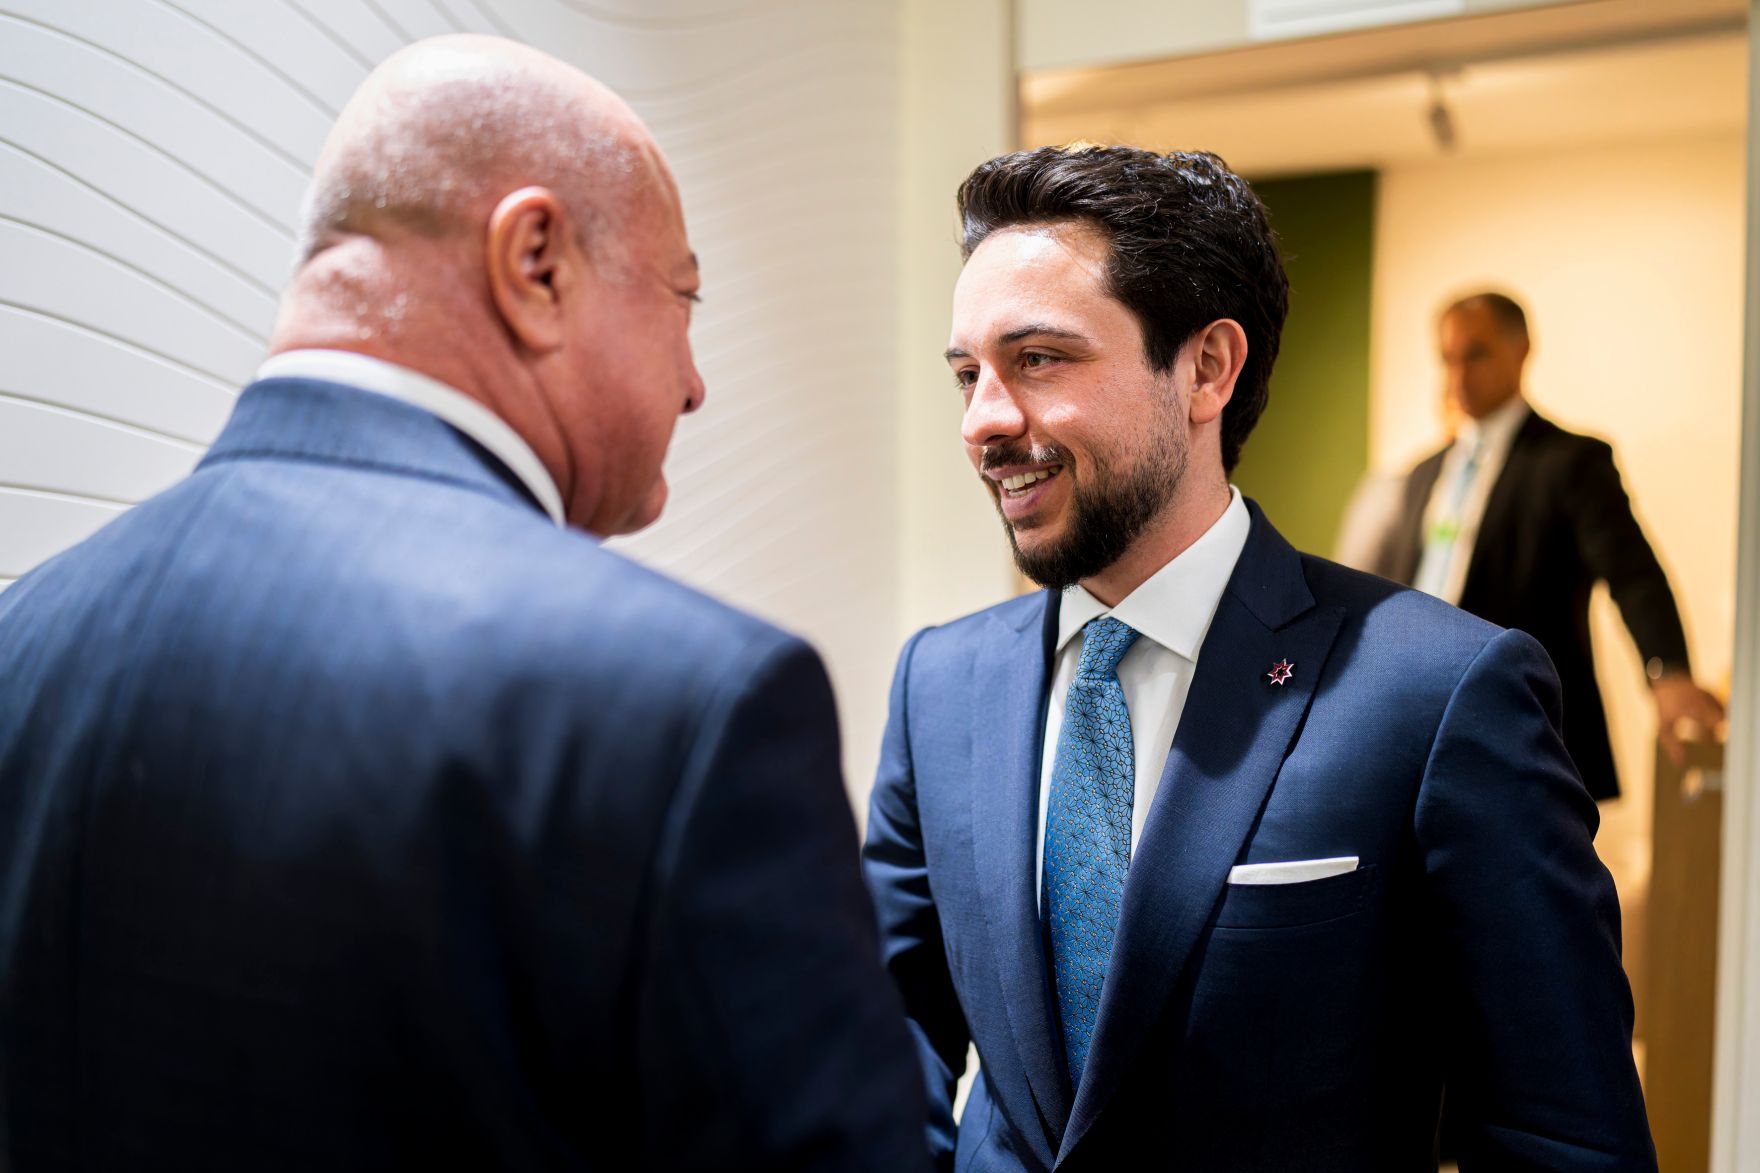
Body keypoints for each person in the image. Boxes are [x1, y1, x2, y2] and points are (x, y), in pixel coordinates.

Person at [0, 36, 925, 1171]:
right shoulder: (687, 703)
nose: (694, 382)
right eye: (682, 300)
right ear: (533, 262)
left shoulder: (23, 637)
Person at [863, 146, 1655, 1171]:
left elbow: (1560, 1133)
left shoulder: (1437, 694)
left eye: (1039, 361)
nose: (984, 423)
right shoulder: (939, 685)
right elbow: (884, 1053)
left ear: (1205, 369)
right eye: (969, 374)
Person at [1367, 291, 1724, 798]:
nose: (1458, 376)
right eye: (1447, 359)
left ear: (1520, 349)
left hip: (1522, 732)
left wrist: (1669, 674)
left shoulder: (1570, 462)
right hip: (1418, 729)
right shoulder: (1423, 475)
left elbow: (1633, 573)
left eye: (1476, 354)